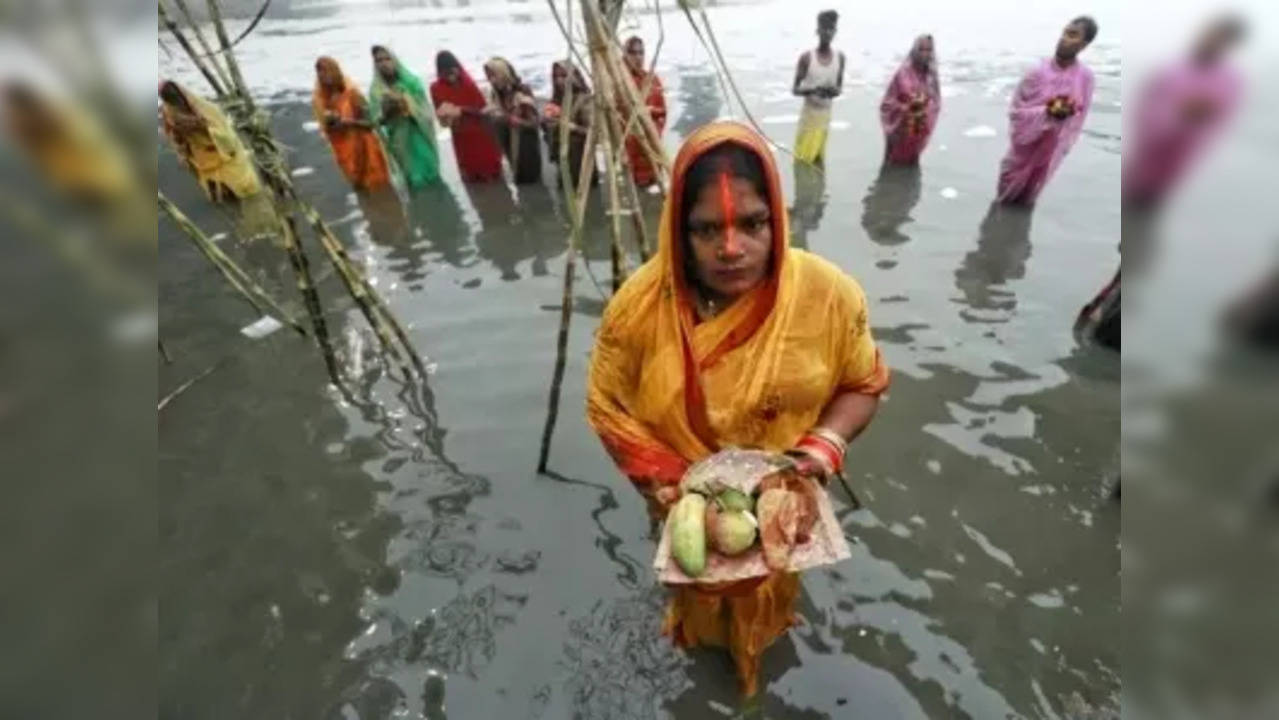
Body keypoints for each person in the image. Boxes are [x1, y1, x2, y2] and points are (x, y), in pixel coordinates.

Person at [585, 121, 889, 697]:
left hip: (782, 495)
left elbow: (863, 382)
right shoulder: (638, 310)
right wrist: (677, 488)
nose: (731, 248)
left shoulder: (828, 295)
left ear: (777, 216)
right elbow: (608, 408)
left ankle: (756, 666)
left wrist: (821, 450)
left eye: (752, 223)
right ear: (678, 231)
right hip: (682, 501)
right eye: (706, 229)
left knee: (771, 594)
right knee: (697, 596)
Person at [1123, 14, 1245, 208]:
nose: (1212, 40)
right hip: (1143, 152)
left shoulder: (1229, 81)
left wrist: (1198, 111)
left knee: (1148, 208)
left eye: (1222, 38)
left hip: (1176, 162)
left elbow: (1218, 117)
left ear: (1230, 45)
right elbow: (1144, 102)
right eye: (1211, 33)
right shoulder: (1171, 68)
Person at [996, 16, 1097, 205]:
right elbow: (1015, 112)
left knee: (1028, 201)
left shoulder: (1086, 78)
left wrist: (1066, 114)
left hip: (1050, 152)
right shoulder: (1036, 71)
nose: (1064, 38)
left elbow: (1080, 116)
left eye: (1072, 35)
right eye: (1065, 32)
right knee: (1004, 199)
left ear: (1083, 45)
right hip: (1022, 151)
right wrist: (1047, 114)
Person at [159, 80, 262, 203]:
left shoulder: (206, 108)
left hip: (219, 149)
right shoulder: (170, 113)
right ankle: (224, 194)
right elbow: (173, 134)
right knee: (212, 179)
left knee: (243, 183)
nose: (175, 102)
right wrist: (181, 147)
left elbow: (224, 132)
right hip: (200, 153)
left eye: (175, 97)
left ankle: (246, 194)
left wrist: (202, 127)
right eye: (170, 99)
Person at [312, 56, 392, 191]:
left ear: (335, 71)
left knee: (381, 191)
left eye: (327, 70)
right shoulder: (321, 101)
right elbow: (326, 129)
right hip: (346, 155)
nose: (323, 75)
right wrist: (332, 123)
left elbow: (371, 123)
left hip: (367, 150)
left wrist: (349, 123)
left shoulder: (352, 93)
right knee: (362, 193)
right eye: (320, 71)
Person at [370, 45, 441, 190]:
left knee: (432, 176)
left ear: (394, 60)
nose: (383, 63)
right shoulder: (376, 90)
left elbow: (426, 111)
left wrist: (406, 103)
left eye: (387, 58)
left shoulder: (411, 81)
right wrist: (387, 111)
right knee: (413, 181)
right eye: (378, 60)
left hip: (420, 135)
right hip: (400, 141)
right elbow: (376, 121)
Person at [430, 51, 504, 182]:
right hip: (461, 135)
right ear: (440, 73)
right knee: (471, 172)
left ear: (457, 68)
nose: (451, 76)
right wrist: (445, 116)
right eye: (446, 74)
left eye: (453, 72)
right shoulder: (435, 88)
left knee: (491, 169)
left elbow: (482, 111)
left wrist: (461, 110)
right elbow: (441, 117)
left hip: (480, 130)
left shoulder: (468, 82)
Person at [792, 10, 845, 166]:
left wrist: (832, 92)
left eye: (831, 29)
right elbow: (795, 90)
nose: (827, 33)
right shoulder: (807, 58)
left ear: (835, 32)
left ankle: (817, 190)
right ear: (818, 31)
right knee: (802, 161)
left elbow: (839, 89)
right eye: (824, 28)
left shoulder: (840, 58)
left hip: (825, 119)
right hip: (808, 118)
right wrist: (813, 90)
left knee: (819, 162)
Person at [879, 34, 941, 165]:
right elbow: (886, 105)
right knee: (892, 170)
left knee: (912, 169)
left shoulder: (931, 77)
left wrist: (925, 109)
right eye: (921, 49)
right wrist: (906, 109)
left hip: (918, 133)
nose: (925, 54)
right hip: (899, 134)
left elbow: (936, 103)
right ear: (914, 50)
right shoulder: (902, 73)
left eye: (928, 50)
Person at [483, 57, 542, 184]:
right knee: (516, 170)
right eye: (488, 77)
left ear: (502, 73)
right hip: (510, 137)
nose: (490, 80)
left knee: (529, 176)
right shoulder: (496, 93)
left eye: (493, 76)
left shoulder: (522, 91)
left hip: (526, 139)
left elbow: (535, 123)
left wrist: (515, 120)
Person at [620, 36, 667, 189]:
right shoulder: (618, 83)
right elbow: (614, 116)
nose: (638, 57)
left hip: (651, 147)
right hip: (630, 150)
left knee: (655, 189)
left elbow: (663, 112)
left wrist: (651, 113)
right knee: (632, 189)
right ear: (625, 55)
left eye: (641, 53)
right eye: (633, 53)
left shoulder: (652, 79)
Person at [542, 60, 596, 190]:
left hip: (581, 161)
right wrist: (546, 122)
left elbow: (594, 133)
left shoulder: (584, 100)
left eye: (564, 76)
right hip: (563, 159)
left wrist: (572, 127)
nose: (559, 81)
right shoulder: (556, 101)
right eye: (556, 77)